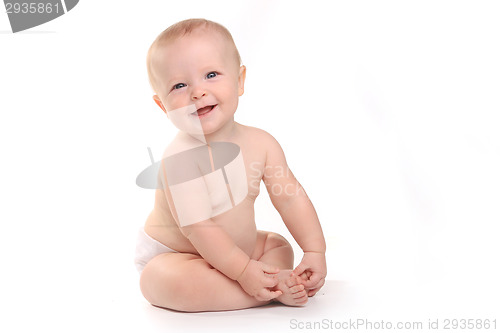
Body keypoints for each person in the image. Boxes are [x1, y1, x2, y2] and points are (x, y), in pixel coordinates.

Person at [135, 18, 326, 312]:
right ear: (162, 105)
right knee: (161, 281)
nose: (197, 92)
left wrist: (314, 250)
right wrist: (243, 272)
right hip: (182, 255)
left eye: (211, 74)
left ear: (239, 81)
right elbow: (199, 229)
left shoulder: (262, 143)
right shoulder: (180, 159)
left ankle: (264, 281)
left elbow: (290, 199)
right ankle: (267, 290)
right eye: (179, 85)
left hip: (240, 250)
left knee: (277, 246)